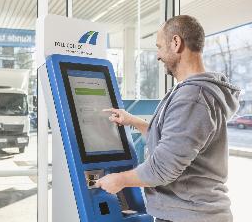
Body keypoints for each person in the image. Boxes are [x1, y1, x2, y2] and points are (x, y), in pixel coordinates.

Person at [96, 15, 240, 222]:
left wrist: (119, 180)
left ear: (176, 43)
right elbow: (176, 143)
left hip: (190, 215)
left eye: (159, 46)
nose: (157, 55)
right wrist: (134, 122)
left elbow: (163, 168)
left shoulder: (193, 97)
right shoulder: (197, 92)